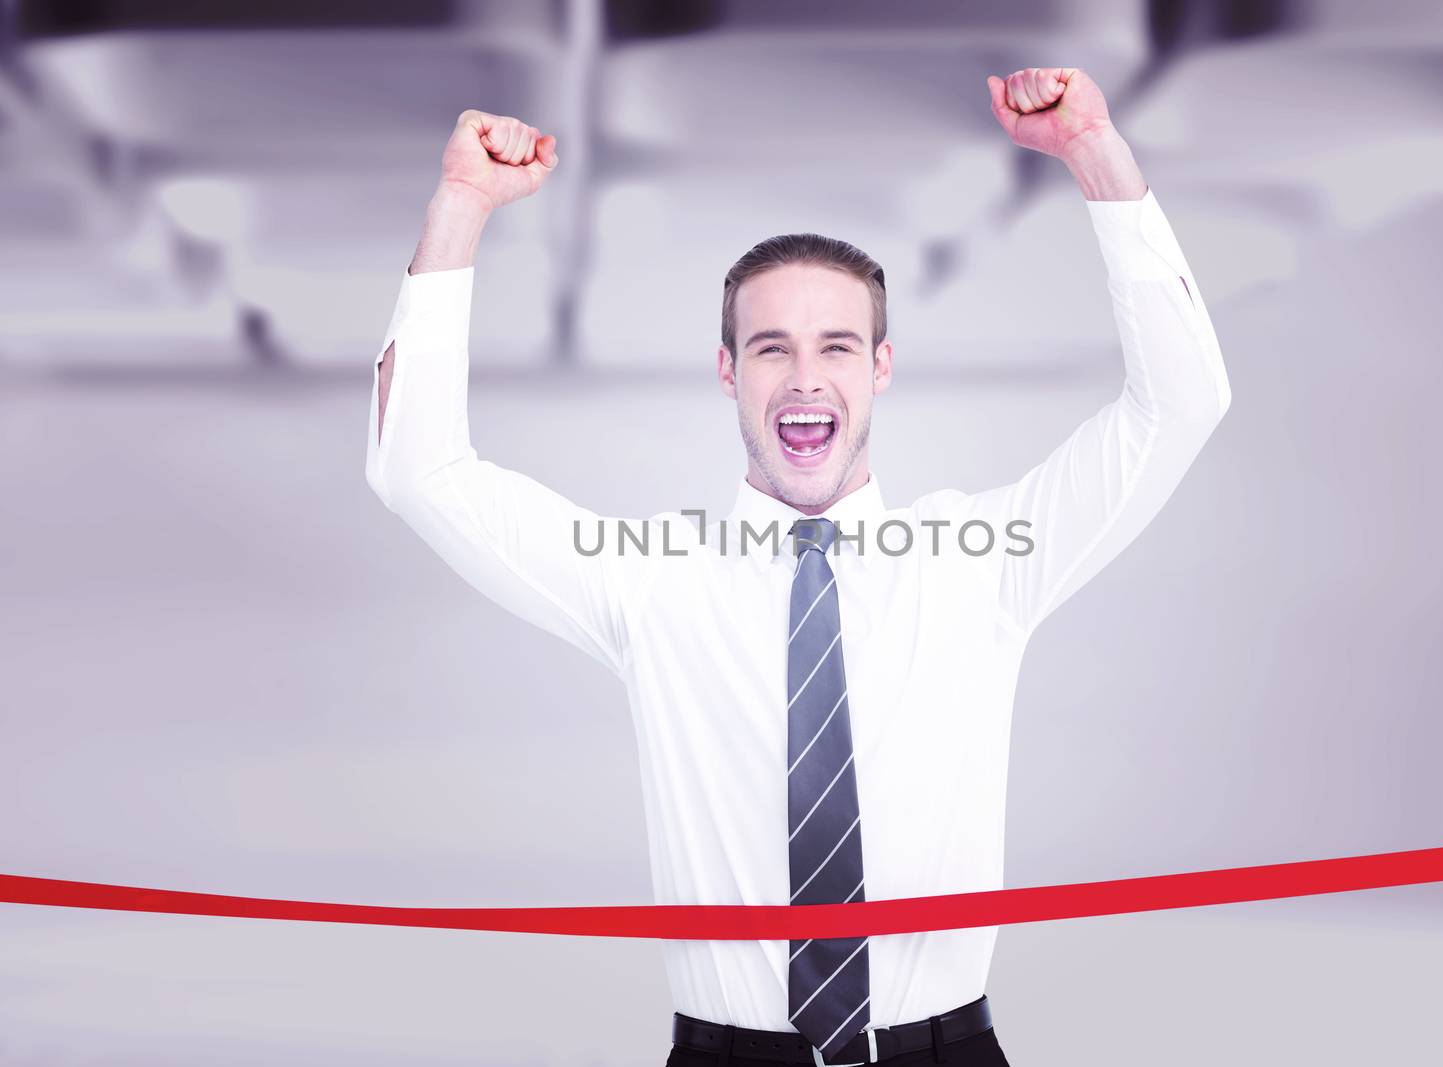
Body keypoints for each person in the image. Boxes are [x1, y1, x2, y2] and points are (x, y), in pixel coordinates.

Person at [365, 66, 1230, 1067]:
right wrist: (461, 207)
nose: (807, 376)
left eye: (837, 346)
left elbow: (1180, 404)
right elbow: (420, 471)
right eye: (771, 348)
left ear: (881, 367)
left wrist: (1094, 151)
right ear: (728, 371)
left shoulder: (979, 564)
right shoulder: (650, 579)